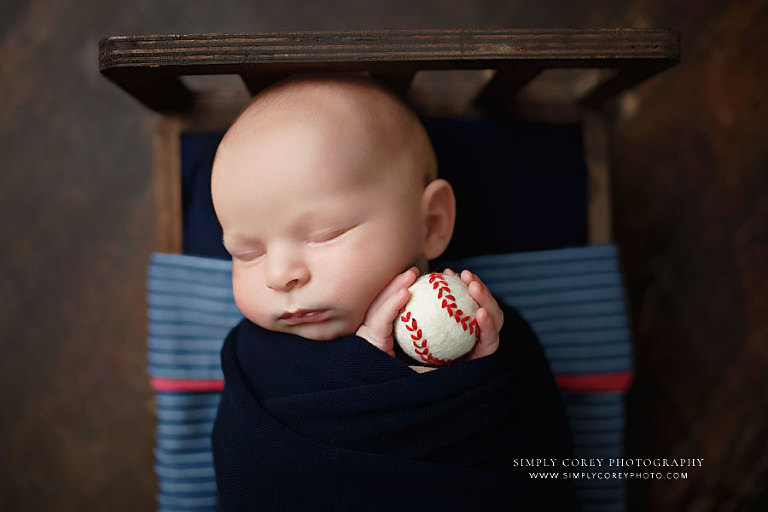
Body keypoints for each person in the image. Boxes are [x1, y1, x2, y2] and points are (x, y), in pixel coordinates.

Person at [210, 76, 578, 511]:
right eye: (245, 252)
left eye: (326, 234)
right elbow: (248, 470)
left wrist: (471, 381)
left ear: (431, 223)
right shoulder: (255, 358)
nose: (279, 274)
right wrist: (358, 370)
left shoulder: (491, 333)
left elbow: (537, 463)